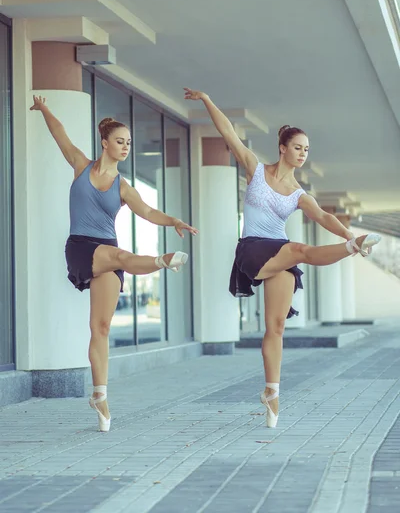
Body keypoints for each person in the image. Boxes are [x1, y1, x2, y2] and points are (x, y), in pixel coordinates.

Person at [183, 88, 380, 428]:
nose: (302, 153)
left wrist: (345, 231)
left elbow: (324, 217)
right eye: (298, 147)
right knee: (300, 250)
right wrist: (206, 100)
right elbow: (228, 131)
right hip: (254, 249)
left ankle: (271, 392)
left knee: (275, 327)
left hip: (280, 254)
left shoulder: (299, 194)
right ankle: (354, 247)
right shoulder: (255, 170)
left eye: (307, 149)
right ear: (282, 148)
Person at [30, 95, 198, 432]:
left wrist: (174, 221)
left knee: (101, 327)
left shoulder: (124, 187)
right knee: (121, 256)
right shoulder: (81, 165)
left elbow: (148, 212)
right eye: (120, 141)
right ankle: (161, 261)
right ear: (105, 142)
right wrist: (45, 108)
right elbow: (60, 134)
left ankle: (100, 395)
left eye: (129, 143)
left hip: (108, 250)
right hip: (81, 247)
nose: (125, 147)